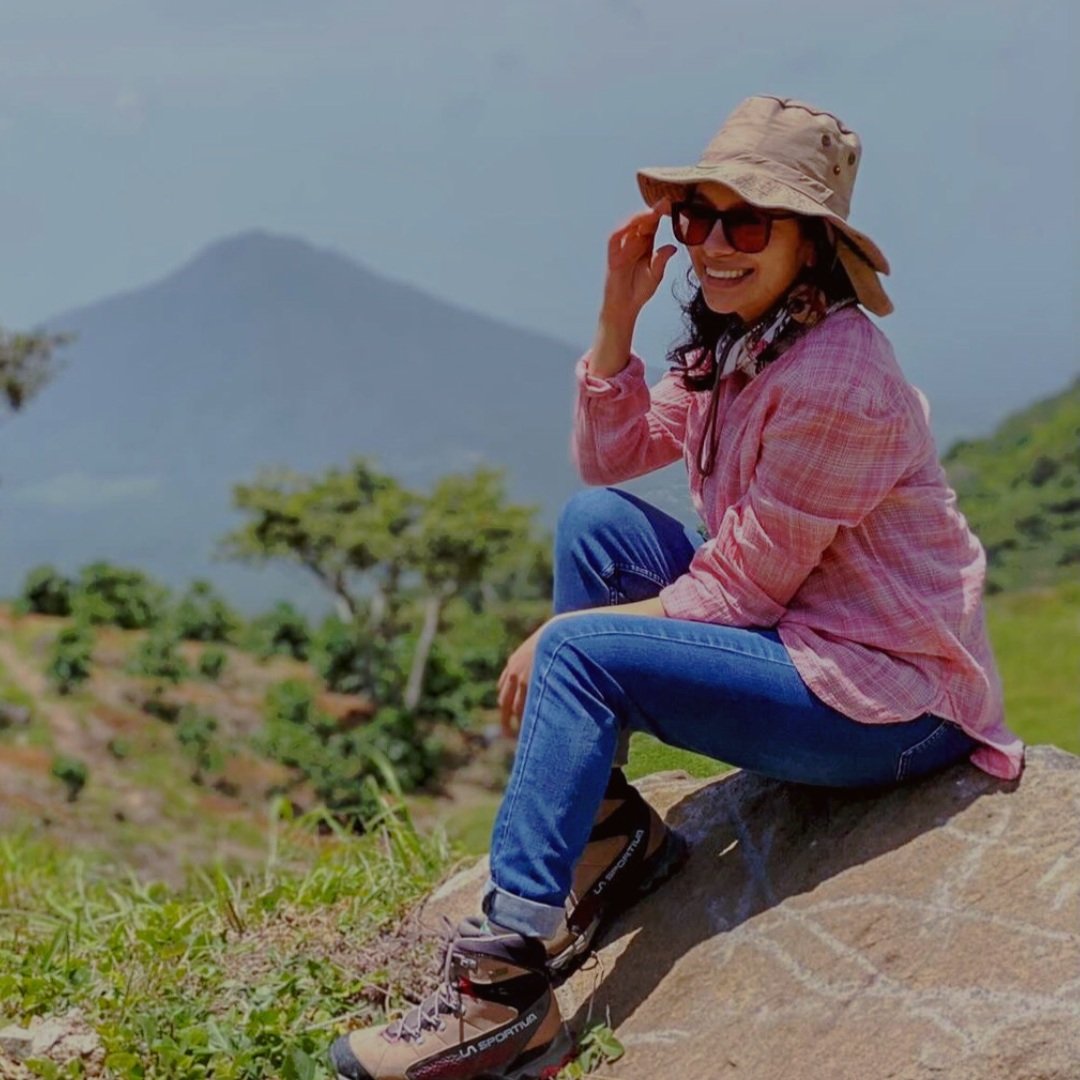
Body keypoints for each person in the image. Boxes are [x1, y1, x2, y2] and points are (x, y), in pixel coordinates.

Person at [329, 95, 1024, 1080]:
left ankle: (502, 994)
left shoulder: (835, 377)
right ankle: (611, 840)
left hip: (889, 700)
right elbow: (607, 458)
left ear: (812, 240)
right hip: (800, 634)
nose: (713, 245)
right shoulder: (745, 338)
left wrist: (562, 643)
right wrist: (619, 307)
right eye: (698, 217)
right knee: (597, 530)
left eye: (747, 222)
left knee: (577, 650)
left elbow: (736, 592)